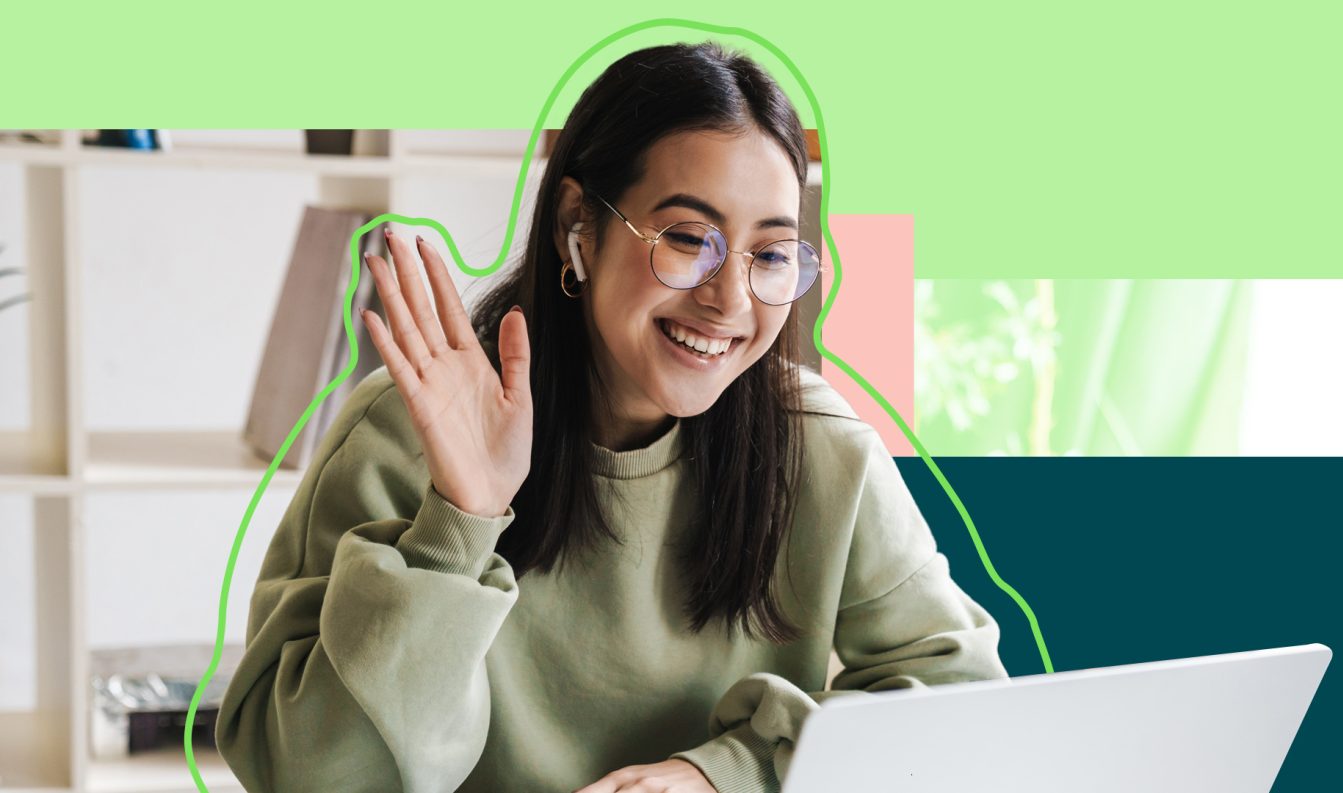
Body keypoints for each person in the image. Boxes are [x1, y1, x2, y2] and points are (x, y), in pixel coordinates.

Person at [214, 40, 1008, 793]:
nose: (729, 301)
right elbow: (308, 776)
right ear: (578, 229)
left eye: (769, 254)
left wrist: (734, 771)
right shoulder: (406, 432)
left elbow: (965, 708)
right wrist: (460, 522)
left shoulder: (819, 446)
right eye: (688, 238)